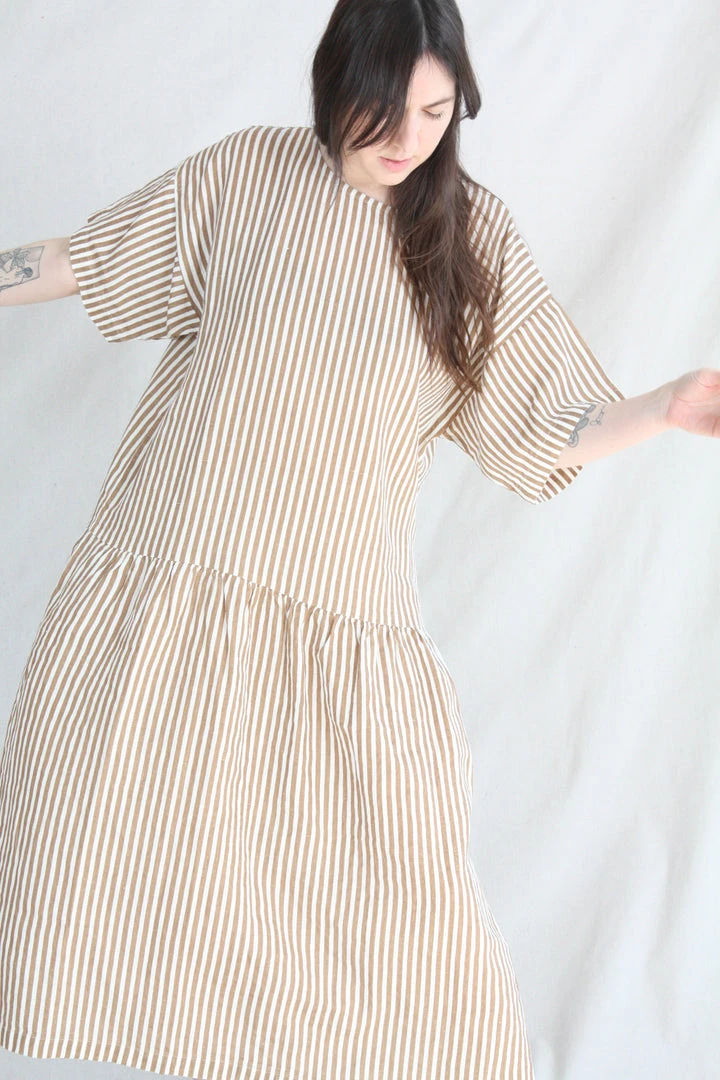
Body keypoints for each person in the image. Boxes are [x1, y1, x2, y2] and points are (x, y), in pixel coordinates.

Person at [0, 1, 718, 1078]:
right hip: (163, 597)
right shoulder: (246, 177)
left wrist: (662, 406)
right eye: (387, 108)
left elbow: (547, 419)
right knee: (96, 872)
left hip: (336, 629)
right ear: (337, 80)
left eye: (438, 113)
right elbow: (88, 258)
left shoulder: (469, 240)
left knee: (390, 929)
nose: (409, 139)